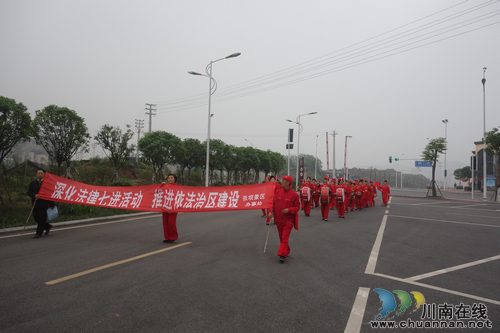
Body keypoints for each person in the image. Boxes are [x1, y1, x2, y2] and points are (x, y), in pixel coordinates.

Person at [273, 175, 300, 263]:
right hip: (278, 219)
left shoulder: (294, 195)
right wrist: (270, 212)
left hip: (288, 220)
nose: (281, 181)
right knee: (282, 237)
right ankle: (286, 250)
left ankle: (282, 254)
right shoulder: (277, 192)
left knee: (285, 237)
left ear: (288, 183)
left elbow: (297, 207)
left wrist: (289, 210)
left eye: (283, 180)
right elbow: (273, 203)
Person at [27, 169, 55, 238]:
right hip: (35, 204)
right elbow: (29, 192)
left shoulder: (47, 184)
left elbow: (50, 194)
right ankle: (47, 226)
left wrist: (52, 204)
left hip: (44, 204)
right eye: (38, 173)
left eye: (41, 173)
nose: (40, 175)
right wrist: (34, 195)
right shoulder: (33, 183)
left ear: (44, 174)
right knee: (36, 218)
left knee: (41, 218)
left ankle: (38, 233)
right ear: (36, 174)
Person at [162, 174, 179, 243]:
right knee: (165, 223)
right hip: (165, 206)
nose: (170, 179)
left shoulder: (177, 187)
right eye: (169, 178)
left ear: (174, 179)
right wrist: (161, 186)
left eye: (172, 178)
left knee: (171, 222)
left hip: (173, 207)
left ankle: (173, 236)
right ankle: (167, 237)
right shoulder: (165, 186)